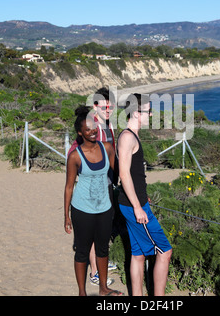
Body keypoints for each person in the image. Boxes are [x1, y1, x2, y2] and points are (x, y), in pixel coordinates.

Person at [117, 93, 172, 296]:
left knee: (138, 254)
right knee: (165, 251)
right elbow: (124, 174)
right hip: (134, 206)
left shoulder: (131, 135)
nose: (151, 114)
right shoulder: (128, 137)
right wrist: (138, 206)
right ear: (137, 113)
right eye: (149, 111)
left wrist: (142, 195)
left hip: (134, 202)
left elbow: (135, 174)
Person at [64, 106, 123, 296]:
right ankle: (82, 292)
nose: (93, 132)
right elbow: (69, 187)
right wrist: (66, 216)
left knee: (103, 249)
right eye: (87, 129)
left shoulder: (107, 148)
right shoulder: (75, 156)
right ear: (80, 133)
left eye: (94, 128)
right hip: (82, 209)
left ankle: (103, 288)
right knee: (82, 251)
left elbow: (120, 172)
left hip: (104, 207)